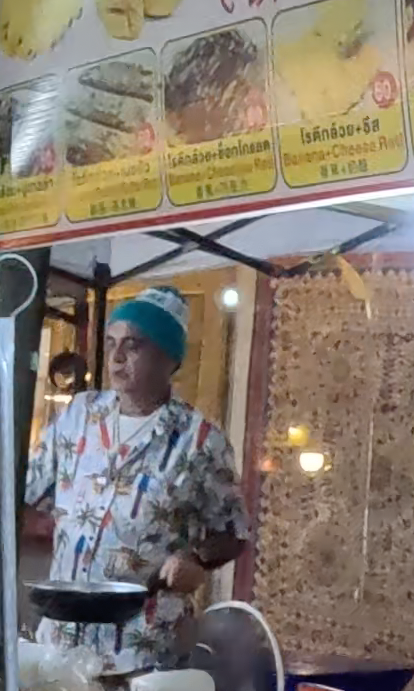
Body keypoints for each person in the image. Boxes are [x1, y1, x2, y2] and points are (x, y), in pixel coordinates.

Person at [23, 286, 248, 669]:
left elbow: (234, 532)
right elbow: (24, 492)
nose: (116, 357)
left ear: (167, 358)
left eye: (133, 345)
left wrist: (195, 558)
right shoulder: (80, 415)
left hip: (142, 648)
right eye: (111, 343)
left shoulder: (199, 441)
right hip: (61, 641)